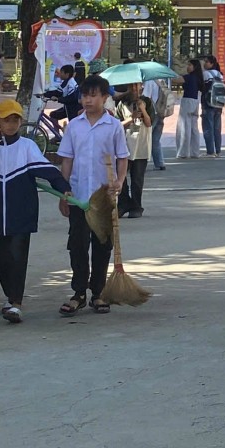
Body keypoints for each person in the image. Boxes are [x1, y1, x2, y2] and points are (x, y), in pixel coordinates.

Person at [0, 98, 72, 324]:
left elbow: (47, 170)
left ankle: (16, 303)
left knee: (18, 257)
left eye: (15, 120)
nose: (11, 124)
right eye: (6, 120)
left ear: (21, 122)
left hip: (22, 213)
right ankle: (10, 297)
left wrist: (63, 188)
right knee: (1, 259)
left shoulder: (27, 147)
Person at [55, 75, 129, 315]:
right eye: (84, 95)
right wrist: (63, 192)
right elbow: (67, 159)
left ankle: (98, 293)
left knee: (102, 246)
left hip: (103, 197)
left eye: (93, 95)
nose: (87, 100)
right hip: (78, 197)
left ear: (105, 97)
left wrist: (119, 181)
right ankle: (78, 293)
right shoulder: (74, 126)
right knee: (77, 246)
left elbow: (122, 158)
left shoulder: (114, 126)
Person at [115, 82, 155, 219]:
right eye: (132, 86)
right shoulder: (122, 104)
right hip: (125, 144)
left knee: (137, 178)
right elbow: (117, 125)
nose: (135, 89)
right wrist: (130, 118)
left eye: (137, 86)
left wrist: (143, 110)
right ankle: (123, 203)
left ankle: (137, 206)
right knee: (121, 176)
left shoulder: (147, 102)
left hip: (141, 144)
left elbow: (149, 123)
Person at [175, 58, 204, 159]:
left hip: (187, 101)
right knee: (194, 128)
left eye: (189, 65)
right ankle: (194, 152)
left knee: (184, 127)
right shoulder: (198, 78)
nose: (187, 67)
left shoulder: (189, 77)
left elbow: (176, 80)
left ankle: (183, 152)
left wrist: (168, 74)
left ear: (194, 67)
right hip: (195, 101)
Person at [200, 54, 225, 156]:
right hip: (218, 104)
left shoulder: (206, 74)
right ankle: (218, 150)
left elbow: (203, 88)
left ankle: (210, 151)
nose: (204, 64)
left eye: (206, 62)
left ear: (212, 63)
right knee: (217, 129)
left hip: (208, 104)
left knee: (208, 128)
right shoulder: (219, 74)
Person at [143, 73, 168, 171]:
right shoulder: (162, 81)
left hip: (152, 113)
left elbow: (146, 97)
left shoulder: (149, 81)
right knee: (155, 140)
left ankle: (142, 164)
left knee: (145, 138)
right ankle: (160, 163)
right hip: (161, 111)